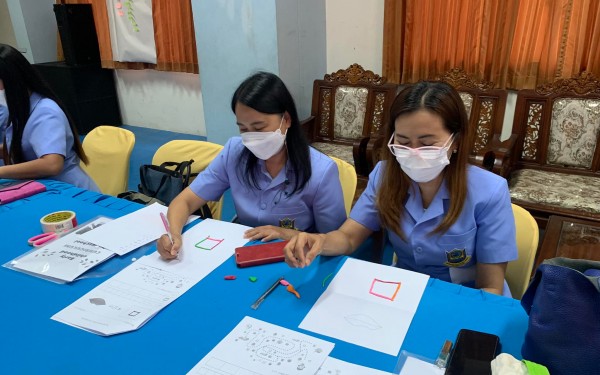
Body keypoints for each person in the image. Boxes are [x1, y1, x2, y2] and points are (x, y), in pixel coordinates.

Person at [283, 81, 517, 297]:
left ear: (455, 142)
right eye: (403, 142)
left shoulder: (489, 192)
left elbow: (490, 288)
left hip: (462, 298)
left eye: (427, 143)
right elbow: (348, 237)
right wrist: (319, 241)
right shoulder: (385, 176)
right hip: (404, 293)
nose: (413, 152)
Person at [157, 72, 347, 260]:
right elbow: (186, 200)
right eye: (243, 129)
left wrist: (285, 234)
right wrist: (173, 234)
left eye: (259, 128)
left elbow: (334, 241)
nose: (251, 137)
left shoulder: (321, 171)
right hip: (244, 252)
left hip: (297, 258)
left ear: (286, 120)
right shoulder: (234, 152)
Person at [0, 44, 99, 191]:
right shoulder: (22, 108)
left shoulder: (46, 111)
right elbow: (20, 145)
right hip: (45, 186)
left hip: (68, 190)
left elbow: (52, 164)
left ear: (11, 81)